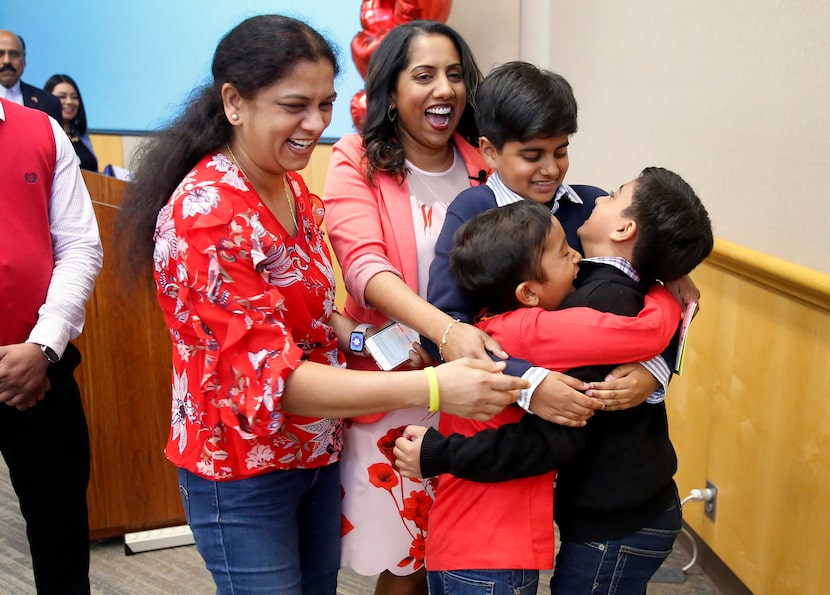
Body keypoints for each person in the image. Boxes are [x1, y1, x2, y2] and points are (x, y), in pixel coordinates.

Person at [114, 15, 525, 595]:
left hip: (313, 453)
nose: (315, 126)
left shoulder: (292, 190)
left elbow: (312, 315)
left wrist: (371, 343)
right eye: (294, 106)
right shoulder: (206, 217)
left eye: (325, 104)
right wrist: (435, 387)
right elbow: (277, 381)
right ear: (234, 102)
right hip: (242, 466)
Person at [395, 168, 714, 595]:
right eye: (564, 253)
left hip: (613, 516)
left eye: (614, 194)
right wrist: (666, 295)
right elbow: (646, 331)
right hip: (525, 534)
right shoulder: (552, 320)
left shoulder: (592, 297)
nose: (599, 196)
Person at [426, 61, 700, 421]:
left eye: (560, 151)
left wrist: (655, 370)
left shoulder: (593, 208)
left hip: (596, 427)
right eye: (532, 155)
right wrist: (529, 383)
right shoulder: (472, 211)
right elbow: (442, 330)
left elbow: (663, 303)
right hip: (506, 422)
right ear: (490, 151)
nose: (551, 169)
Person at [0, 98, 103, 594]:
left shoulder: (40, 131)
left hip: (37, 368)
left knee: (59, 534)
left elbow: (80, 244)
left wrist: (41, 349)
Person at [0, 30, 61, 122]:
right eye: (0, 54)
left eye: (13, 54)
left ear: (24, 59)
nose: (7, 61)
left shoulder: (49, 102)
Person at [44, 74, 98, 171]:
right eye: (62, 96)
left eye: (74, 97)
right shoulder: (45, 136)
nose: (69, 101)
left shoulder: (81, 135)